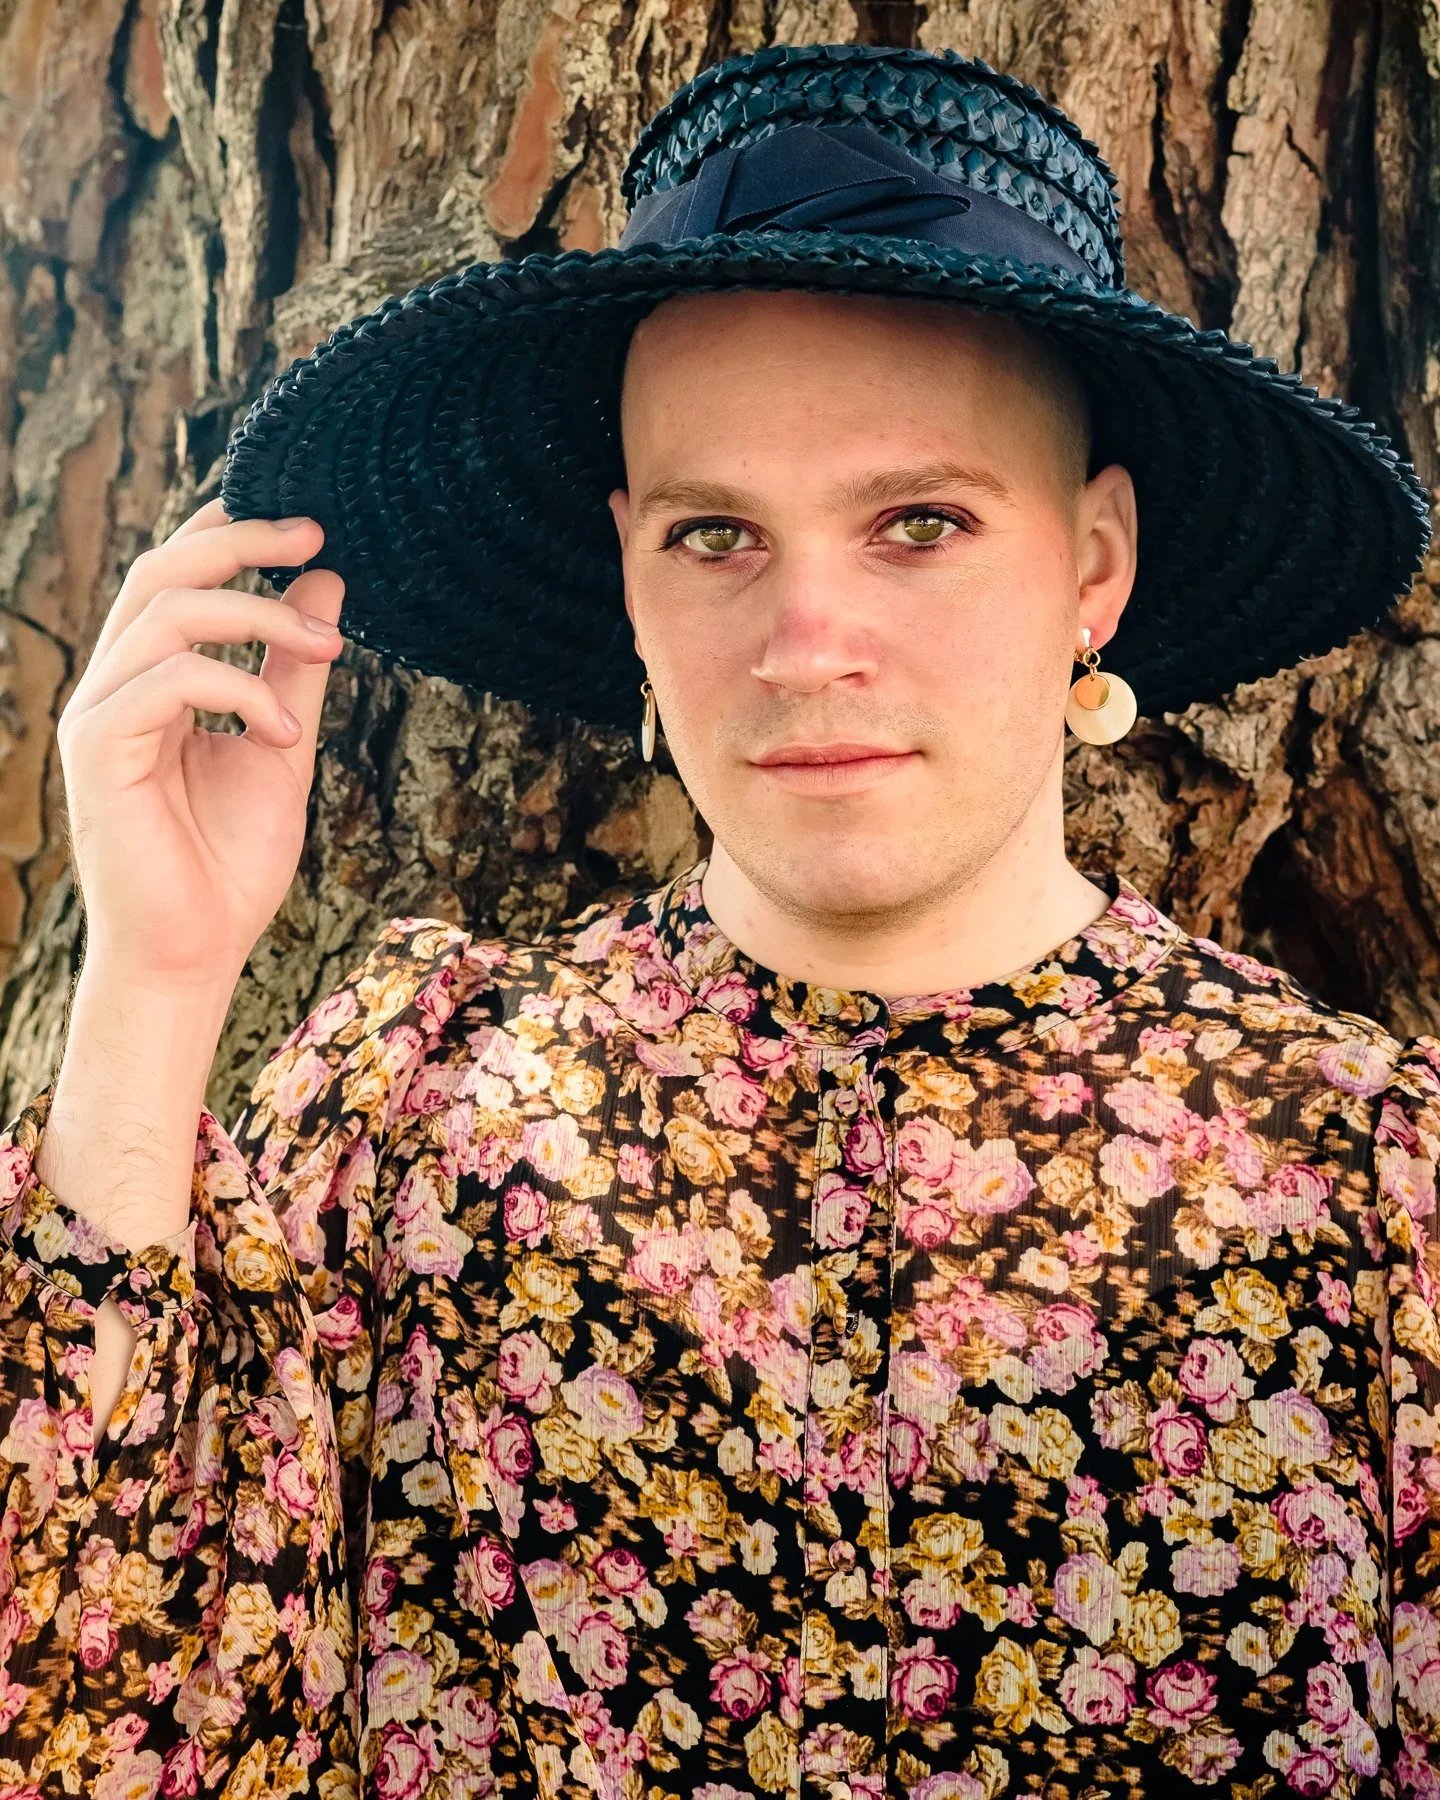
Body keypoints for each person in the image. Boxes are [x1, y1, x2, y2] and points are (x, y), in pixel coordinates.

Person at [0, 37, 1435, 1800]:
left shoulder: (1373, 1196)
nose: (805, 643)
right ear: (627, 565)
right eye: (714, 535)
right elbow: (99, 1719)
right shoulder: (416, 1110)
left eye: (919, 522)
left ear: (1095, 562)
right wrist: (155, 981)